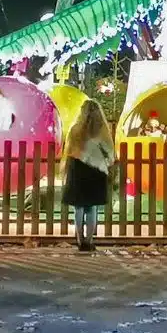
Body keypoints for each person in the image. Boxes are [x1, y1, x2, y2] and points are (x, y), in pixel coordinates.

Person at [61, 99, 116, 252]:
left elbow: (69, 150)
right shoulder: (102, 131)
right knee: (92, 208)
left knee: (78, 207)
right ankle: (89, 240)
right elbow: (110, 155)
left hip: (77, 169)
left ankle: (79, 239)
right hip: (96, 171)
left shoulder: (75, 130)